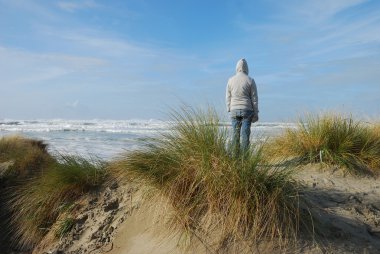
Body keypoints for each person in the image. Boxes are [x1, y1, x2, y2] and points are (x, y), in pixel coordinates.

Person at [226, 58, 259, 154]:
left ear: (237, 68)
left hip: (234, 110)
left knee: (235, 135)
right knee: (245, 135)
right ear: (247, 68)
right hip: (247, 110)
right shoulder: (250, 80)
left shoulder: (230, 80)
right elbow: (254, 99)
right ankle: (244, 160)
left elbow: (228, 96)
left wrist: (229, 108)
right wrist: (256, 113)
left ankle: (235, 159)